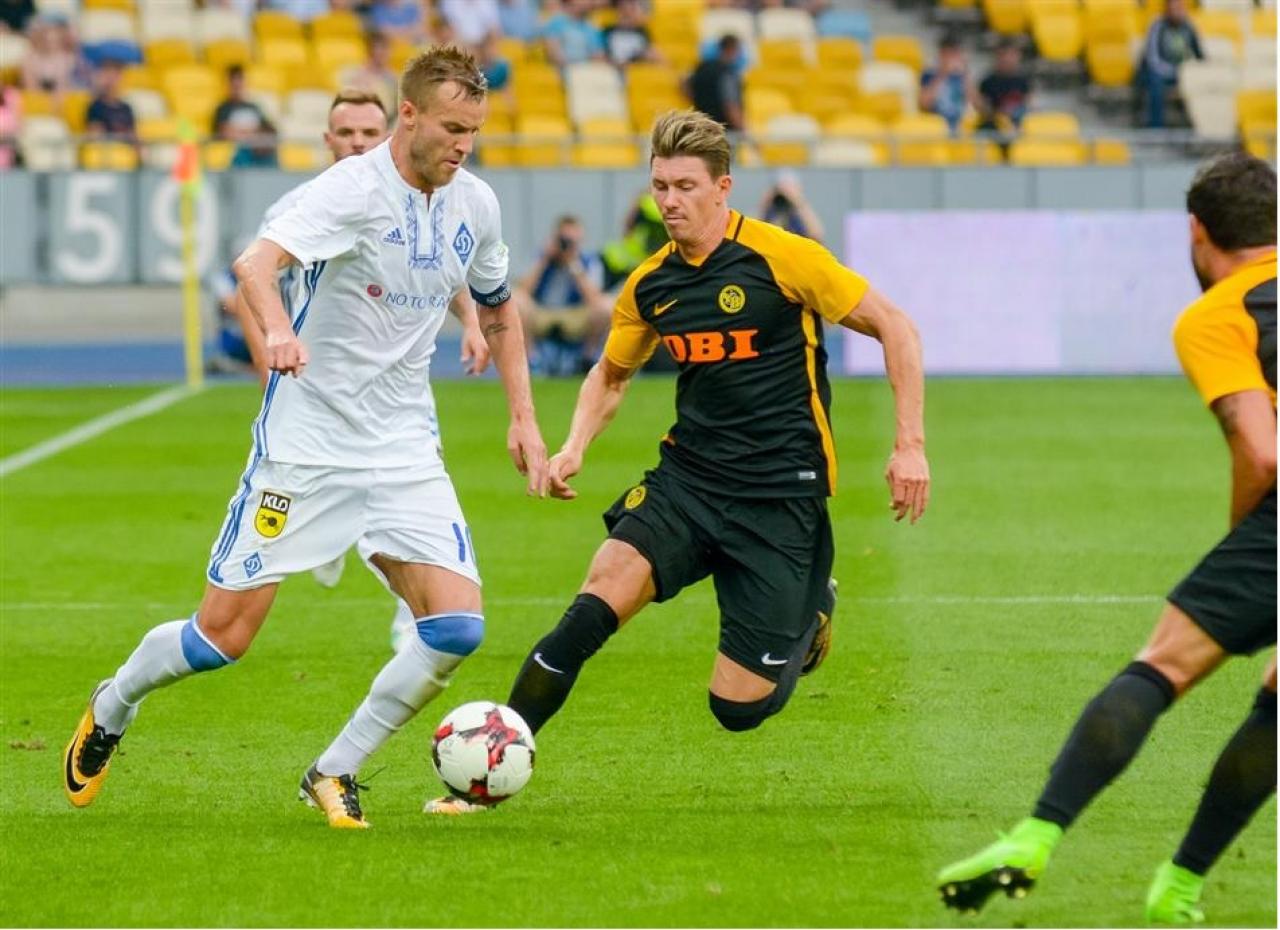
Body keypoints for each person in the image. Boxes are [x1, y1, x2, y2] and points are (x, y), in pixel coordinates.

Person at [62, 46, 550, 830]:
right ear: (409, 115)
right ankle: (114, 702)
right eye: (453, 129)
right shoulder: (350, 190)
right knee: (221, 638)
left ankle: (334, 769)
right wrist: (279, 332)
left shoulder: (475, 203)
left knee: (456, 627)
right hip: (308, 446)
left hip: (402, 446)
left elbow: (497, 306)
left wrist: (523, 418)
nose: (465, 145)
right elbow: (254, 265)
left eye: (474, 132)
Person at [423, 108, 929, 813]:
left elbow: (895, 327)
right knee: (591, 605)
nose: (669, 201)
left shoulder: (785, 259)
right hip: (687, 483)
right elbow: (611, 374)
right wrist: (574, 447)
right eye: (660, 186)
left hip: (778, 498)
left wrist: (909, 445)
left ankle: (814, 606)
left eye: (685, 186)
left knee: (737, 708)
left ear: (723, 187)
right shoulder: (651, 285)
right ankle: (486, 776)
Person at [936, 153, 1276, 924]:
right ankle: (1180, 888)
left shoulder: (1218, 314)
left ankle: (1035, 836)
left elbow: (1262, 453)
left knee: (1162, 666)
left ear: (1197, 233)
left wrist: (1246, 540)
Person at [229, 87, 492, 643]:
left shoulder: (427, 197)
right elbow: (252, 283)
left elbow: (440, 269)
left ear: (393, 130)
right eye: (346, 133)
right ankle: (328, 537)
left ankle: (411, 627)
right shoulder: (301, 206)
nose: (357, 142)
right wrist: (269, 360)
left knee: (415, 517)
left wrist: (471, 320)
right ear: (328, 139)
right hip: (319, 396)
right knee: (230, 622)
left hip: (400, 401)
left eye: (368, 133)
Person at [515, 215, 612, 374]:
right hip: (542, 312)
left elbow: (595, 300)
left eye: (571, 241)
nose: (566, 245)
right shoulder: (541, 258)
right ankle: (531, 360)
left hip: (575, 313)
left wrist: (574, 264)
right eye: (563, 240)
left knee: (606, 306)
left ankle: (586, 359)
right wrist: (544, 260)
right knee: (517, 301)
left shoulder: (588, 261)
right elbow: (522, 291)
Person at [1138, 0, 1203, 129]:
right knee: (1155, 80)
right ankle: (1156, 128)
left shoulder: (1188, 27)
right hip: (1156, 72)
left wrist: (1192, 71)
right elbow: (1153, 60)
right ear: (1167, 10)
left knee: (1200, 79)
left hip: (1179, 72)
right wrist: (1175, 71)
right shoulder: (1157, 26)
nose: (1178, 12)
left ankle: (1197, 126)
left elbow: (1199, 56)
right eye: (1175, 8)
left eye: (1180, 8)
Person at [212, 64, 277, 168]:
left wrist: (243, 132)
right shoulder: (223, 108)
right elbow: (225, 133)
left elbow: (267, 130)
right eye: (234, 84)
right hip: (239, 152)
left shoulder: (254, 107)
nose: (237, 88)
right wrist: (252, 132)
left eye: (240, 83)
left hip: (258, 150)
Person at [919, 33, 980, 135]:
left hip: (962, 126)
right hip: (937, 126)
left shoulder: (964, 77)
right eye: (948, 54)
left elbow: (978, 105)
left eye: (955, 54)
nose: (951, 59)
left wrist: (965, 75)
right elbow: (924, 104)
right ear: (941, 54)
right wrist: (943, 74)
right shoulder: (928, 75)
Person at [687, 34, 744, 132]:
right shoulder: (727, 73)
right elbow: (730, 105)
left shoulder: (702, 68)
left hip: (701, 126)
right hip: (722, 129)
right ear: (732, 49)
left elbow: (684, 83)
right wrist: (743, 130)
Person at [976, 38, 1031, 135]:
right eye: (1005, 55)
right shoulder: (988, 82)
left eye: (1012, 55)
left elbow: (1028, 104)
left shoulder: (1024, 80)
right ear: (998, 56)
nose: (1008, 59)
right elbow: (983, 108)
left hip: (1018, 126)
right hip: (995, 127)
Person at [759, 170, 825, 242]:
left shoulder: (800, 212)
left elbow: (817, 235)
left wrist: (797, 201)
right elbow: (754, 233)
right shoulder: (770, 209)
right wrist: (765, 203)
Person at [542, 0, 607, 68]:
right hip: (563, 70)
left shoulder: (592, 27)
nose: (587, 2)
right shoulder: (555, 22)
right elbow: (555, 54)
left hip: (588, 69)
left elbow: (599, 55)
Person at [84, 59, 135, 143]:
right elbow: (95, 137)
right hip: (107, 148)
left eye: (115, 76)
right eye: (107, 75)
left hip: (125, 149)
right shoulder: (96, 107)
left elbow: (133, 137)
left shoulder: (126, 108)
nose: (111, 81)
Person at [603, 0, 658, 68]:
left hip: (635, 69)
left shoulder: (642, 32)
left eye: (633, 7)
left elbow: (649, 53)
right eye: (623, 5)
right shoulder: (608, 31)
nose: (627, 9)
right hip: (611, 69)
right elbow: (603, 54)